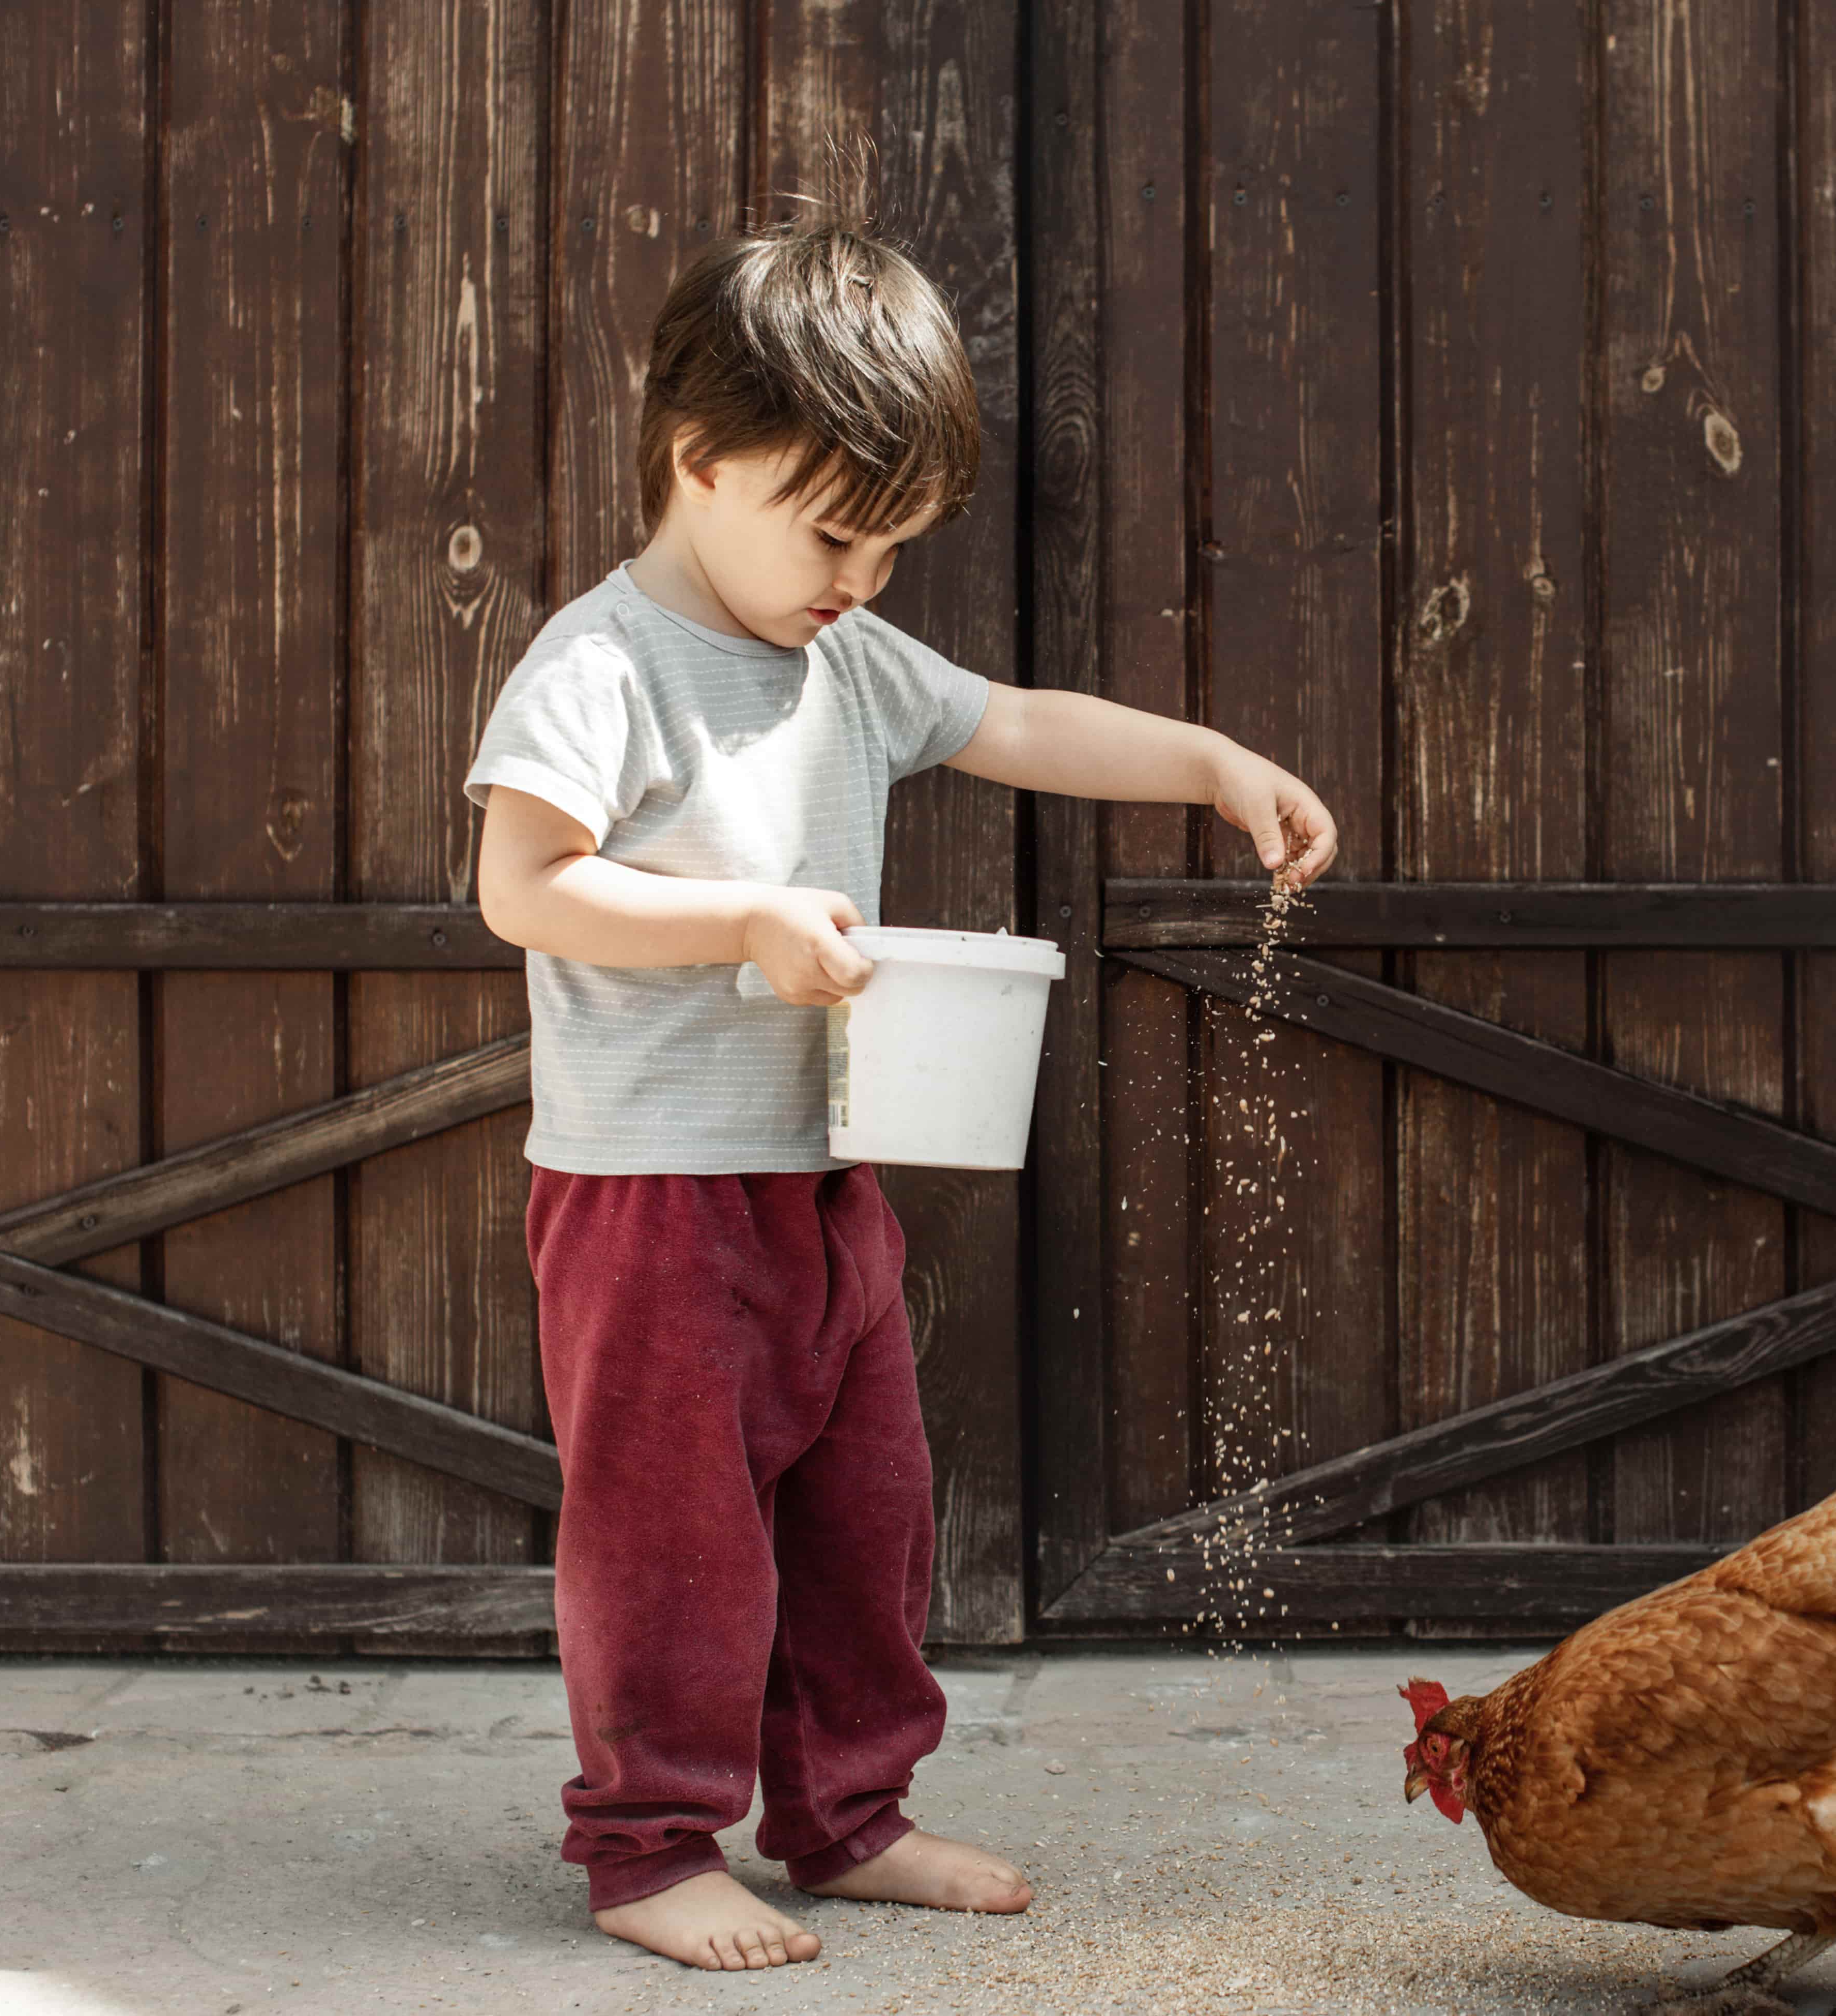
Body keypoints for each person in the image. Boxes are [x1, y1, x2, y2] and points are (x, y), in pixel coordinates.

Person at [462, 196, 1337, 1972]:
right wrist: (743, 922)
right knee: (675, 1542)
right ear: (703, 460)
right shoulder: (601, 664)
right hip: (648, 1194)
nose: (860, 580)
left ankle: (849, 1819)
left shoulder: (849, 659)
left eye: (893, 546)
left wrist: (1211, 762)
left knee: (869, 1520)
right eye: (836, 534)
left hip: (823, 1172)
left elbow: (1014, 721)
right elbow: (524, 887)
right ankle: (648, 1846)